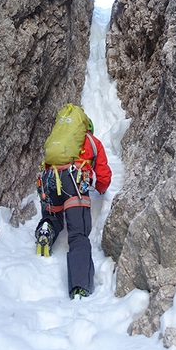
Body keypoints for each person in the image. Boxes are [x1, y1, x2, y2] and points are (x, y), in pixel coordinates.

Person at [35, 109, 112, 299]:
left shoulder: (57, 140)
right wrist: (101, 189)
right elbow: (103, 175)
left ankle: (47, 227)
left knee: (54, 216)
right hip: (74, 183)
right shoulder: (92, 142)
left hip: (49, 179)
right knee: (78, 234)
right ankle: (79, 285)